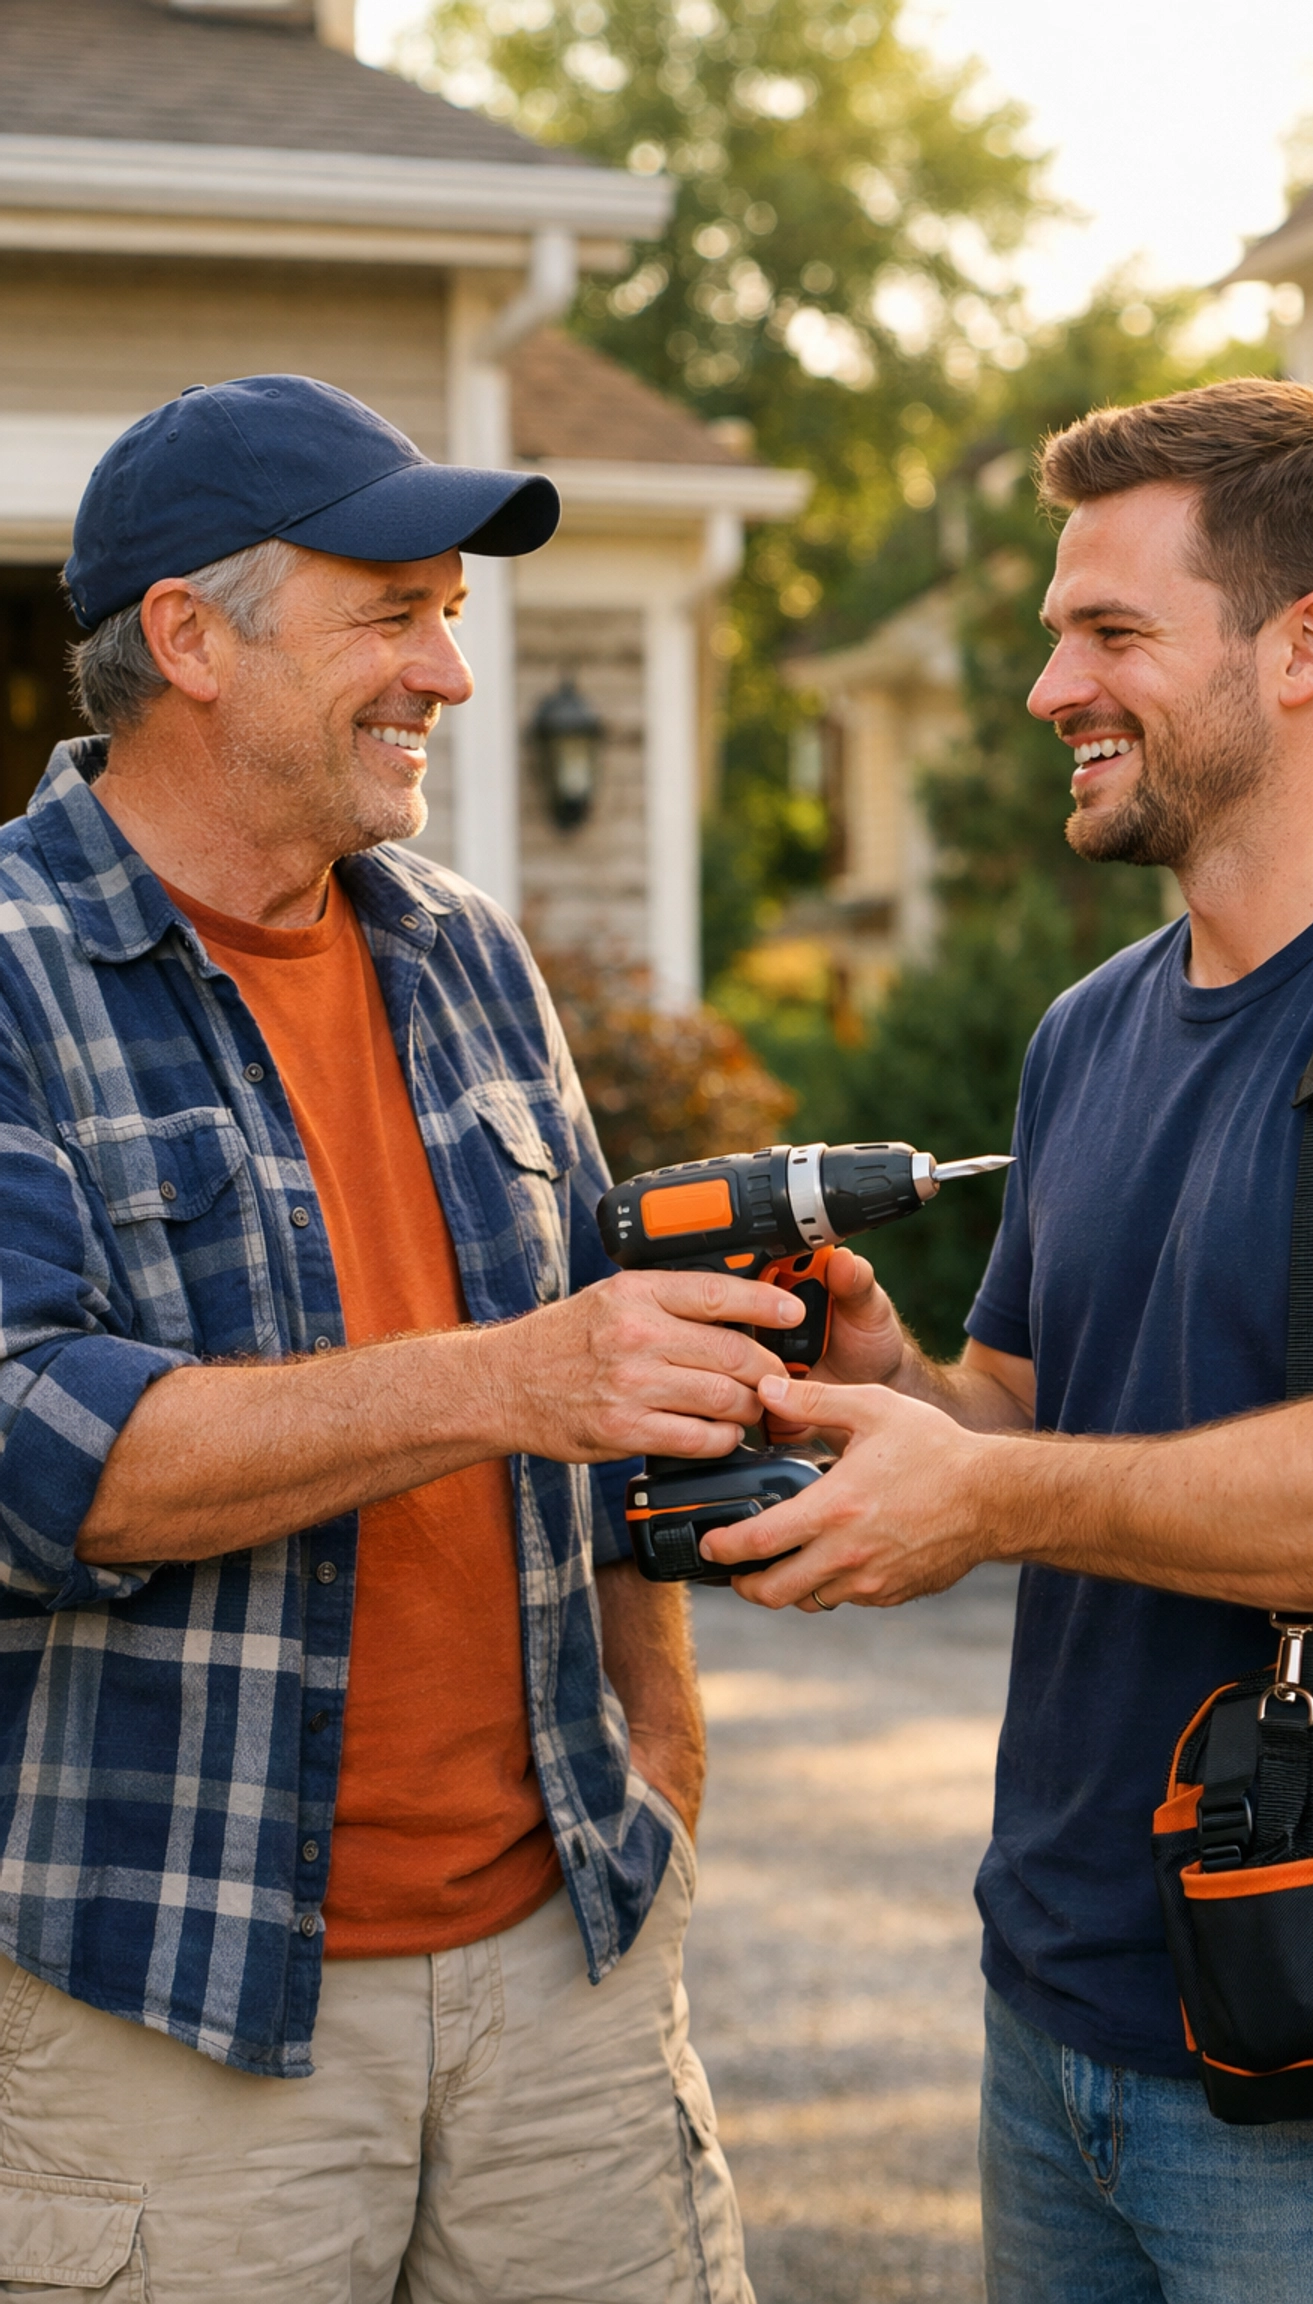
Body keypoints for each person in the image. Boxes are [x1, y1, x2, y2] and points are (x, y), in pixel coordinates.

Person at [708, 379, 1313, 2301]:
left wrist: (985, 1490)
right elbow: (1022, 1417)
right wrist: (885, 1389)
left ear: (1305, 649)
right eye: (1053, 632)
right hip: (1054, 2014)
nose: (1046, 686)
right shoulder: (1090, 1027)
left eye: (1111, 632)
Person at [0, 374, 790, 2302]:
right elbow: (31, 1450)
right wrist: (507, 1375)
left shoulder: (462, 950)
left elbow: (616, 1401)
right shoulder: (14, 974)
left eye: (452, 612)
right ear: (187, 636)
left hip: (568, 1979)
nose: (448, 670)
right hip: (165, 2023)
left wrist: (659, 1753)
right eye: (395, 613)